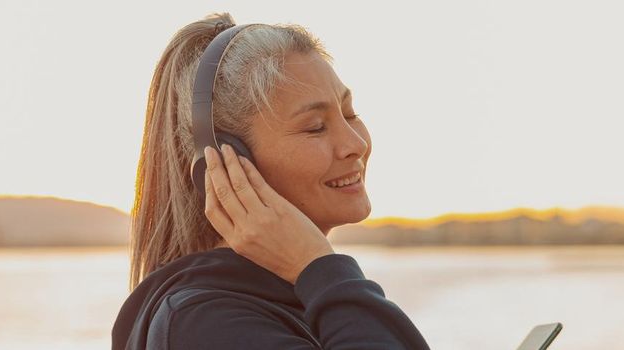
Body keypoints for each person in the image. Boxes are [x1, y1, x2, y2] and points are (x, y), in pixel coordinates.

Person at [111, 13, 431, 349]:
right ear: (225, 162)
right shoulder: (206, 323)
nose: (356, 144)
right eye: (315, 127)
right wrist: (319, 266)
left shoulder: (300, 298)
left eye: (350, 114)